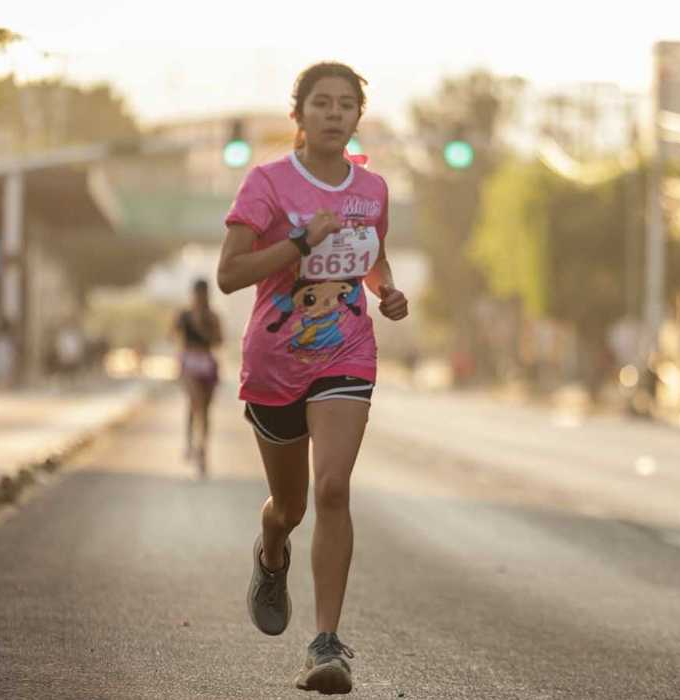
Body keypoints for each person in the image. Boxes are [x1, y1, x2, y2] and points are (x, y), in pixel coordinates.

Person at [217, 61, 408, 695]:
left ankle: (326, 643)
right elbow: (230, 274)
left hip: (346, 352)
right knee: (291, 507)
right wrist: (300, 242)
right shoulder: (268, 183)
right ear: (297, 115)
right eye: (321, 103)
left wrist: (386, 291)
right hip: (274, 363)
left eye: (345, 104)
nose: (333, 113)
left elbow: (371, 256)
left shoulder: (372, 190)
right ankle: (271, 551)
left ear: (358, 116)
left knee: (332, 490)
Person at [173, 278, 223, 476]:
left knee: (204, 410)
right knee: (196, 403)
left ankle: (202, 449)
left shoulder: (213, 317)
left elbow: (219, 340)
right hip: (189, 361)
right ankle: (190, 443)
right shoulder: (183, 315)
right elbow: (173, 335)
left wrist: (204, 327)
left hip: (207, 362)